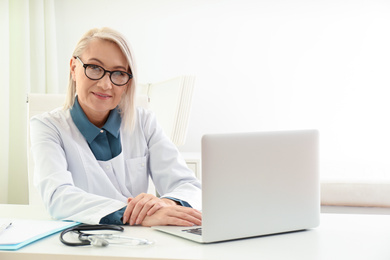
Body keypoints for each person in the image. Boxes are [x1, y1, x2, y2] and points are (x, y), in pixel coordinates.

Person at [29, 27, 202, 227]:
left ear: (127, 83)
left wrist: (162, 205)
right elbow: (58, 197)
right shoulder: (47, 126)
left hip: (140, 244)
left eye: (119, 73)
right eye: (94, 68)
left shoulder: (144, 122)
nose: (105, 84)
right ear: (73, 68)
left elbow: (189, 186)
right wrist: (136, 214)